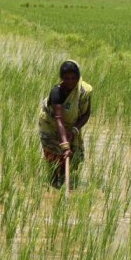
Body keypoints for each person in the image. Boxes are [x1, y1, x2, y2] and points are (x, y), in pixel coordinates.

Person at [38, 60, 92, 188]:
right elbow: (58, 119)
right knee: (55, 157)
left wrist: (74, 130)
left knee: (73, 158)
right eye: (67, 78)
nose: (70, 82)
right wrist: (65, 145)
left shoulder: (84, 91)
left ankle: (62, 181)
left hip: (70, 126)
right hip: (50, 124)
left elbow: (86, 114)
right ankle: (53, 184)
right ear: (62, 78)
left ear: (78, 77)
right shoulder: (57, 92)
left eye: (74, 78)